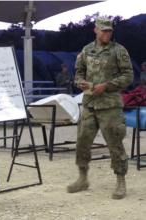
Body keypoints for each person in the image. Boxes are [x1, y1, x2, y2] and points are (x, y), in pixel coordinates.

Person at [67, 17, 133, 199]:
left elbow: (128, 77)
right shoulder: (87, 50)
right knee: (82, 141)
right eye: (104, 30)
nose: (107, 33)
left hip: (110, 105)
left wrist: (107, 85)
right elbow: (79, 72)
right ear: (95, 30)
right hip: (90, 104)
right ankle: (83, 177)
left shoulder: (118, 51)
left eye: (110, 30)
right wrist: (79, 81)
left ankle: (121, 181)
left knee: (114, 143)